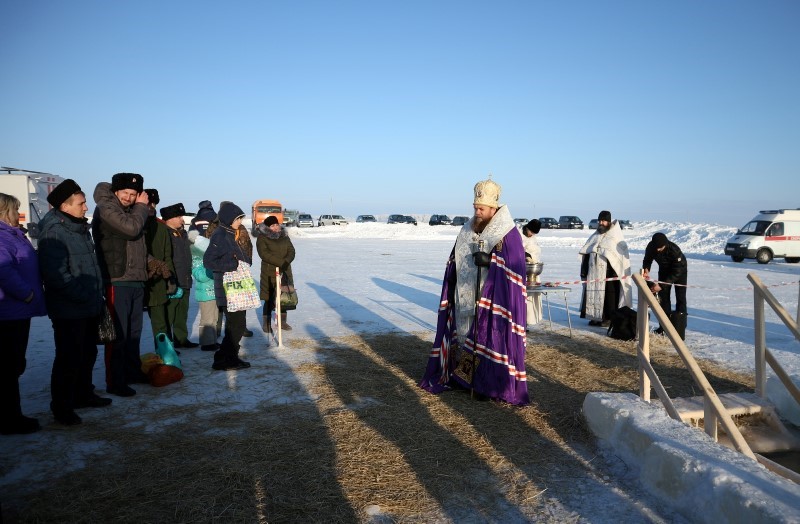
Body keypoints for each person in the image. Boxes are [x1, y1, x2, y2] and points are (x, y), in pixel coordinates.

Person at [419, 177, 529, 405]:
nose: (477, 212)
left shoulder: (507, 232)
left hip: (494, 300)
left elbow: (516, 265)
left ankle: (486, 385)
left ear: (493, 208)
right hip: (464, 296)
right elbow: (455, 257)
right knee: (465, 336)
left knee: (488, 340)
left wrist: (491, 261)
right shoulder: (467, 229)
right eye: (475, 208)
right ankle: (465, 379)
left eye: (482, 209)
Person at [38, 180, 111, 426]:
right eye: (81, 203)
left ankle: (83, 394)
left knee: (87, 353)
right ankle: (62, 407)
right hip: (69, 310)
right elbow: (57, 276)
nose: (86, 207)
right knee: (68, 358)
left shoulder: (77, 228)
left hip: (87, 305)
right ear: (64, 206)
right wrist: (84, 295)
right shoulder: (54, 232)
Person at [92, 173, 151, 397]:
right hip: (117, 278)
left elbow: (135, 244)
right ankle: (115, 381)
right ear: (115, 191)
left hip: (135, 279)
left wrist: (150, 263)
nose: (128, 197)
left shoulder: (131, 210)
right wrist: (142, 207)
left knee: (134, 332)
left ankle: (132, 371)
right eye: (125, 192)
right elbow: (131, 229)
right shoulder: (107, 207)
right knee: (118, 334)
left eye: (133, 194)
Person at [0, 193, 47, 434]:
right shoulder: (2, 236)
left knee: (14, 364)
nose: (18, 214)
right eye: (14, 209)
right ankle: (10, 419)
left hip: (17, 311)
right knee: (9, 366)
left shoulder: (12, 234)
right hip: (9, 311)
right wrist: (26, 294)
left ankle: (11, 415)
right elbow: (3, 271)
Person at [203, 202, 252, 371]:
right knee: (236, 326)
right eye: (238, 218)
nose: (240, 221)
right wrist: (231, 265)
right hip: (227, 289)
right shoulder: (220, 235)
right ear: (229, 218)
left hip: (236, 289)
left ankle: (227, 358)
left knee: (235, 326)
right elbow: (209, 261)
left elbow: (238, 256)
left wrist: (245, 261)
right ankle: (225, 359)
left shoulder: (230, 234)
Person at [579, 210, 632, 327]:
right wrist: (584, 271)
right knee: (593, 294)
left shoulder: (615, 236)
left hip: (610, 275)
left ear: (609, 221)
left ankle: (608, 318)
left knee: (609, 298)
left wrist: (614, 272)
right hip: (594, 272)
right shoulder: (595, 235)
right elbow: (586, 252)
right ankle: (595, 317)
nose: (601, 223)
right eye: (599, 221)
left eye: (603, 221)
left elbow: (620, 258)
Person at [160, 203, 198, 348]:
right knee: (169, 314)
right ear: (170, 219)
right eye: (179, 217)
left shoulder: (182, 233)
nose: (182, 220)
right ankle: (168, 345)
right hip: (172, 281)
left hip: (185, 279)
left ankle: (181, 339)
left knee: (182, 313)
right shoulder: (165, 234)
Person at [143, 189, 176, 352]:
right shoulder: (135, 224)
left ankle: (165, 353)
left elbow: (167, 255)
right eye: (148, 203)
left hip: (158, 281)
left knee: (161, 321)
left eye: (154, 204)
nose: (151, 207)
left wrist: (170, 278)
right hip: (139, 279)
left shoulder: (161, 228)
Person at [643, 232, 688, 339]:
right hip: (664, 270)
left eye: (661, 247)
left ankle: (679, 327)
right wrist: (646, 269)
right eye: (656, 248)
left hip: (679, 271)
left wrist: (661, 285)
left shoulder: (674, 250)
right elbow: (647, 259)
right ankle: (663, 327)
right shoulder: (651, 247)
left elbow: (676, 272)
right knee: (664, 298)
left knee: (680, 297)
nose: (658, 250)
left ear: (665, 244)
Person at [256, 215, 296, 333]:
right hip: (270, 271)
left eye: (276, 224)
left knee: (284, 296)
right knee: (269, 297)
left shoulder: (284, 236)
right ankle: (266, 323)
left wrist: (286, 261)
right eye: (272, 225)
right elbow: (264, 254)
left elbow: (291, 250)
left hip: (285, 270)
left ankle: (282, 321)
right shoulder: (262, 237)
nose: (275, 227)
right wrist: (280, 262)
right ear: (267, 227)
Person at [188, 230, 219, 351]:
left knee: (214, 319)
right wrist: (212, 269)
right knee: (207, 319)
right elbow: (200, 276)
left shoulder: (208, 259)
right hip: (205, 294)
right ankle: (206, 343)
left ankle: (213, 340)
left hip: (214, 293)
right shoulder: (196, 260)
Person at [521, 219, 543, 329]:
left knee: (531, 298)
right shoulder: (519, 235)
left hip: (533, 270)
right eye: (531, 232)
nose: (532, 234)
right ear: (527, 228)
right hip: (521, 270)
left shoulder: (533, 238)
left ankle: (528, 320)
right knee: (522, 297)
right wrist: (524, 254)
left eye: (534, 233)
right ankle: (521, 321)